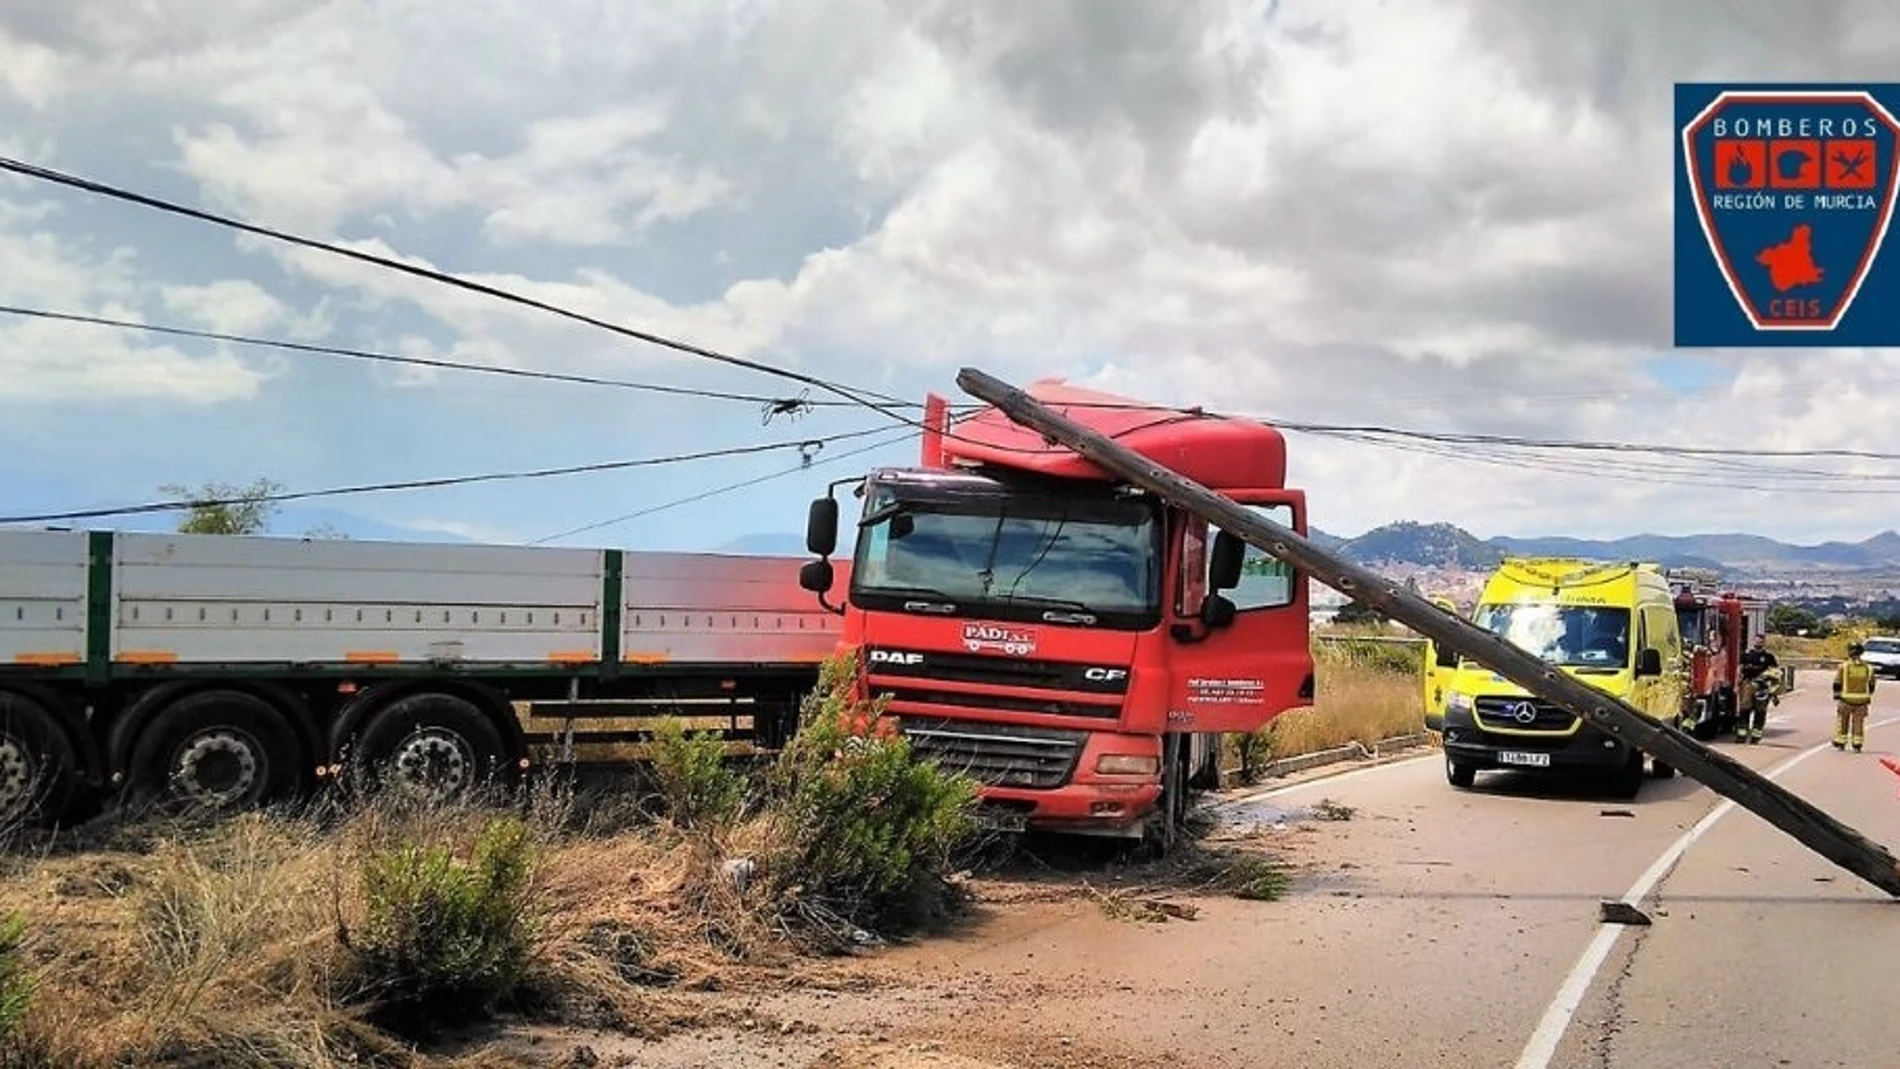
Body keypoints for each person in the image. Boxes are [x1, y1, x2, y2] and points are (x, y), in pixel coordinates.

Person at [1832, 642, 1876, 752]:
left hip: (1845, 700)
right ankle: (1857, 744)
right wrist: (1868, 696)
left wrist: (1836, 695)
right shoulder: (1868, 668)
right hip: (1862, 701)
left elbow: (1837, 682)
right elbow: (1872, 685)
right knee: (1858, 723)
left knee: (1842, 721)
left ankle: (1841, 742)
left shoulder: (1843, 666)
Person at [1737, 634, 1779, 743]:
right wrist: (1737, 685)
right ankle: (1741, 736)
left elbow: (1775, 673)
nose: (1758, 643)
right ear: (1753, 642)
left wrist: (1773, 691)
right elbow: (1739, 670)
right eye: (1757, 641)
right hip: (1748, 685)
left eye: (1761, 641)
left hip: (1762, 688)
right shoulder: (1746, 655)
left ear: (1763, 643)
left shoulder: (1769, 657)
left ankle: (1755, 737)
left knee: (1760, 712)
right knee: (1744, 710)